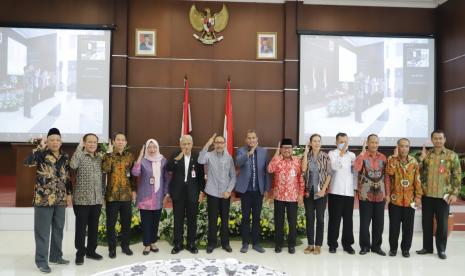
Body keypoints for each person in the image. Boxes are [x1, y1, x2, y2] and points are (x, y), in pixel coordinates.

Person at [24, 128, 72, 274]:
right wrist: (40, 147)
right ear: (47, 141)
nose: (55, 142)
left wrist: (69, 193)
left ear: (61, 142)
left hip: (60, 199)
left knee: (58, 229)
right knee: (42, 232)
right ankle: (41, 262)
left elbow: (68, 176)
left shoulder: (64, 156)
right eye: (51, 140)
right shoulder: (41, 154)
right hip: (43, 199)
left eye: (57, 140)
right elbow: (27, 163)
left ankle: (56, 256)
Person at [416, 130, 462, 259]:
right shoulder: (427, 155)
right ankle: (427, 247)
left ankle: (441, 249)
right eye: (435, 138)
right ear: (432, 140)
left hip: (444, 196)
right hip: (427, 195)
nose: (437, 141)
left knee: (442, 224)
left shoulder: (451, 155)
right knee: (426, 223)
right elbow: (417, 173)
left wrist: (454, 193)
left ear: (444, 139)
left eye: (440, 138)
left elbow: (457, 175)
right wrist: (421, 160)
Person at [166, 135, 205, 254]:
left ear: (192, 145)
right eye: (184, 144)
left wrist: (201, 192)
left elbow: (200, 176)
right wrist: (178, 157)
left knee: (192, 219)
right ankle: (178, 244)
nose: (186, 146)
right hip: (178, 193)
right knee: (178, 219)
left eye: (188, 144)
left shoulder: (197, 156)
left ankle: (191, 243)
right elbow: (168, 168)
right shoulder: (175, 154)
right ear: (180, 145)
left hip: (193, 193)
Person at [198, 134, 236, 253]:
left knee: (225, 220)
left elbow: (233, 177)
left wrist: (229, 190)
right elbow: (200, 160)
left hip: (225, 194)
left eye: (221, 142)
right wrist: (207, 144)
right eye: (217, 142)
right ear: (214, 144)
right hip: (212, 193)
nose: (219, 144)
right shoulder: (208, 156)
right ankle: (212, 243)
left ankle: (225, 243)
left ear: (224, 144)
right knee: (212, 219)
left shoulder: (229, 158)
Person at [70, 133, 104, 265]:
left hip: (96, 199)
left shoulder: (99, 158)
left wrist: (102, 195)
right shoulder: (80, 156)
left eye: (94, 142)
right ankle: (80, 253)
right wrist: (79, 148)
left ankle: (91, 251)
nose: (92, 144)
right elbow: (72, 165)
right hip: (82, 200)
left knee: (94, 227)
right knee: (81, 228)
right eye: (89, 142)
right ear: (84, 143)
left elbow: (103, 177)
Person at [131, 139, 170, 255]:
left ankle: (153, 242)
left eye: (154, 147)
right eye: (149, 147)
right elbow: (135, 173)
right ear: (146, 149)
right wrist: (139, 156)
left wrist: (166, 194)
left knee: (155, 221)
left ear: (157, 148)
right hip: (145, 197)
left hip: (158, 197)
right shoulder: (143, 161)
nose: (152, 150)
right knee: (146, 222)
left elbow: (166, 179)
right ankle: (147, 245)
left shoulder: (163, 161)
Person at [235, 130, 270, 253]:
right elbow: (238, 163)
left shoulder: (263, 152)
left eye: (253, 138)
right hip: (246, 191)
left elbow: (266, 172)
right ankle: (245, 243)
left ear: (257, 139)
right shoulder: (241, 151)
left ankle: (256, 243)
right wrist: (249, 154)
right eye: (249, 138)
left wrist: (266, 189)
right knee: (245, 218)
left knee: (256, 217)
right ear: (246, 140)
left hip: (258, 191)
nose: (251, 140)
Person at [354, 134, 390, 256]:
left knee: (379, 224)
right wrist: (362, 154)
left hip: (380, 195)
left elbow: (386, 177)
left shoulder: (383, 157)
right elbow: (356, 168)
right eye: (372, 142)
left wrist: (387, 193)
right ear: (367, 143)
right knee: (364, 223)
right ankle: (364, 246)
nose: (374, 145)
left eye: (376, 142)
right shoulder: (363, 156)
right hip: (365, 195)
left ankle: (376, 247)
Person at [386, 138, 422, 258]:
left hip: (409, 200)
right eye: (401, 146)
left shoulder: (414, 162)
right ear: (398, 147)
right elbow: (389, 173)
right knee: (394, 227)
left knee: (408, 228)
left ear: (409, 147)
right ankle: (393, 249)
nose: (404, 148)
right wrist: (394, 158)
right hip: (395, 200)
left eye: (406, 146)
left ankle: (406, 249)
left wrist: (418, 197)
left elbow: (418, 180)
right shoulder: (391, 159)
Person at [267, 138, 304, 254]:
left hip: (293, 197)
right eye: (284, 148)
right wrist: (276, 154)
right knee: (279, 221)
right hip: (279, 197)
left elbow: (301, 179)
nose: (287, 150)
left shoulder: (298, 161)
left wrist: (301, 194)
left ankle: (291, 245)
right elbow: (269, 169)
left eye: (289, 148)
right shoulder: (277, 160)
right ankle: (278, 244)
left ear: (292, 149)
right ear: (281, 149)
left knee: (292, 222)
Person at [102, 132, 135, 258]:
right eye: (118, 140)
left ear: (125, 143)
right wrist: (109, 154)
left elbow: (132, 175)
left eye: (123, 140)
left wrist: (134, 189)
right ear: (114, 142)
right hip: (112, 196)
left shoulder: (130, 156)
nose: (120, 142)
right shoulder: (108, 156)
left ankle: (125, 246)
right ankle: (112, 248)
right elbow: (105, 169)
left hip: (126, 195)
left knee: (126, 223)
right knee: (111, 223)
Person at [301, 134, 332, 255]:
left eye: (318, 141)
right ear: (310, 143)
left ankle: (318, 245)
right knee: (309, 218)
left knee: (320, 219)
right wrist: (305, 153)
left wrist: (324, 189)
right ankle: (310, 244)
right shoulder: (306, 156)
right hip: (308, 192)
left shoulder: (325, 156)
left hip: (321, 192)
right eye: (314, 141)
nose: (317, 143)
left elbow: (329, 173)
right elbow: (303, 170)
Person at [327, 133, 357, 255]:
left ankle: (347, 244)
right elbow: (334, 167)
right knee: (334, 219)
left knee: (348, 220)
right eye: (341, 141)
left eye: (345, 141)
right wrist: (341, 153)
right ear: (336, 142)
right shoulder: (332, 154)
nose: (343, 144)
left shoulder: (352, 155)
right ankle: (332, 244)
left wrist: (355, 188)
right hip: (336, 191)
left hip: (349, 192)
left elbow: (355, 173)